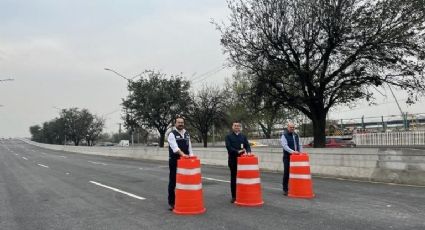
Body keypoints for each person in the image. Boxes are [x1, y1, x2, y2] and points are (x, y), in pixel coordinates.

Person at [167, 115, 193, 210]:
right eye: (179, 122)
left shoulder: (186, 133)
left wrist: (191, 157)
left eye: (182, 122)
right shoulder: (171, 134)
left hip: (185, 161)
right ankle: (171, 202)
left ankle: (185, 200)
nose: (181, 124)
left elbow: (189, 147)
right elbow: (175, 148)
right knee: (173, 181)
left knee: (186, 181)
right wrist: (183, 154)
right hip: (175, 160)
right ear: (175, 124)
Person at [225, 121, 251, 203]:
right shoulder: (228, 136)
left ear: (240, 127)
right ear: (232, 127)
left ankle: (243, 194)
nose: (237, 127)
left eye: (238, 126)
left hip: (243, 161)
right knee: (234, 178)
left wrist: (249, 152)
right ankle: (234, 196)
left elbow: (247, 145)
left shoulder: (243, 136)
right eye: (235, 126)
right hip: (233, 160)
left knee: (243, 178)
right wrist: (237, 151)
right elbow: (229, 148)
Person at [281, 122, 303, 196]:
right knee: (287, 173)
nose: (292, 128)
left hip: (296, 157)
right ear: (288, 127)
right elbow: (284, 146)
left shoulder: (296, 135)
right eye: (291, 127)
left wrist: (301, 153)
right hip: (287, 157)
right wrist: (293, 152)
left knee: (297, 173)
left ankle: (297, 188)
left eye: (293, 127)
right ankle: (285, 189)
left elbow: (300, 145)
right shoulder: (284, 136)